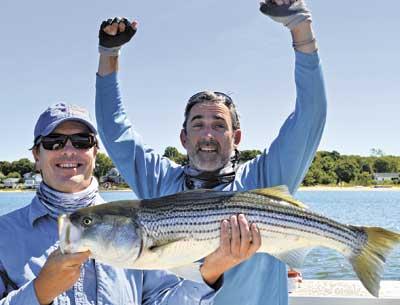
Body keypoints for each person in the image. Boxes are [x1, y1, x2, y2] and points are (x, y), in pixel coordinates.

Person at [95, 0, 327, 304]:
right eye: (198, 124)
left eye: (219, 125)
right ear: (183, 137)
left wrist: (300, 27)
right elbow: (115, 131)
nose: (207, 134)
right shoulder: (160, 183)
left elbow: (310, 115)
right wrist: (109, 54)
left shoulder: (264, 177)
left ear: (237, 136)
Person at [0, 103, 261, 305]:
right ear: (36, 154)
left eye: (82, 142)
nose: (69, 151)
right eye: (54, 142)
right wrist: (39, 292)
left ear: (95, 152)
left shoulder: (140, 223)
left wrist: (210, 272)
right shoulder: (4, 234)